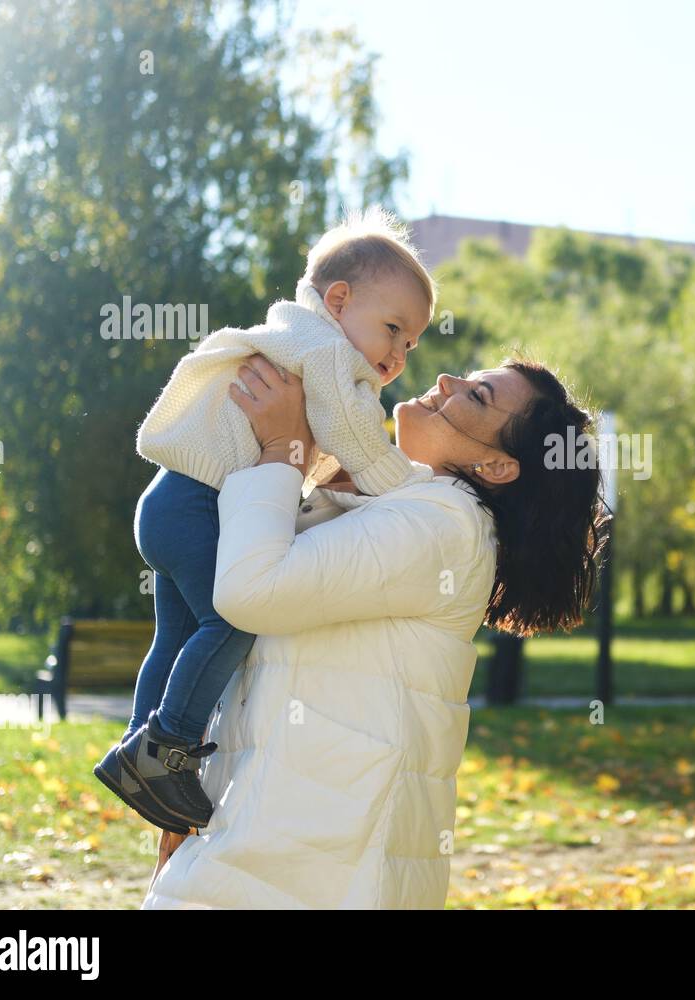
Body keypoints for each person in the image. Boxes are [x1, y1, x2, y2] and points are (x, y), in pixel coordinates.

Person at [141, 355, 609, 908]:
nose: (446, 381)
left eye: (478, 397)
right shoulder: (403, 510)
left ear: (498, 466)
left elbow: (250, 590)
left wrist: (280, 452)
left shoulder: (444, 525)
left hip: (311, 864)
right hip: (276, 847)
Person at [94, 208, 436, 834]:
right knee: (233, 619)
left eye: (411, 344)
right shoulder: (328, 353)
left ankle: (139, 750)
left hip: (172, 501)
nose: (399, 354)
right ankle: (164, 747)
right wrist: (409, 489)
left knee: (175, 636)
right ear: (338, 300)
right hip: (197, 504)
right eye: (393, 329)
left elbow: (315, 444)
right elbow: (353, 438)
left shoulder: (298, 339)